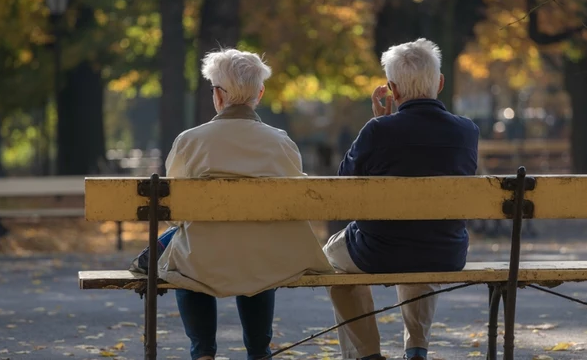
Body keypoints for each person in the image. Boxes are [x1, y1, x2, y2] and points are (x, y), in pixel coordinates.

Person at [131, 48, 333, 360]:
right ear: (260, 93)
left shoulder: (191, 141)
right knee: (255, 250)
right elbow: (294, 208)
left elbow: (177, 214)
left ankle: (203, 352)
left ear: (218, 95)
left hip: (203, 257)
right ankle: (258, 351)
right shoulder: (280, 142)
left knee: (186, 256)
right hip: (265, 257)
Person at [322, 38, 479, 360]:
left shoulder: (378, 131)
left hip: (376, 252)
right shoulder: (466, 132)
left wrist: (377, 121)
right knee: (422, 239)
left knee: (328, 260)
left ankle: (366, 354)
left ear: (392, 89)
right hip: (445, 251)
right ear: (439, 82)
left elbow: (341, 188)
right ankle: (416, 348)